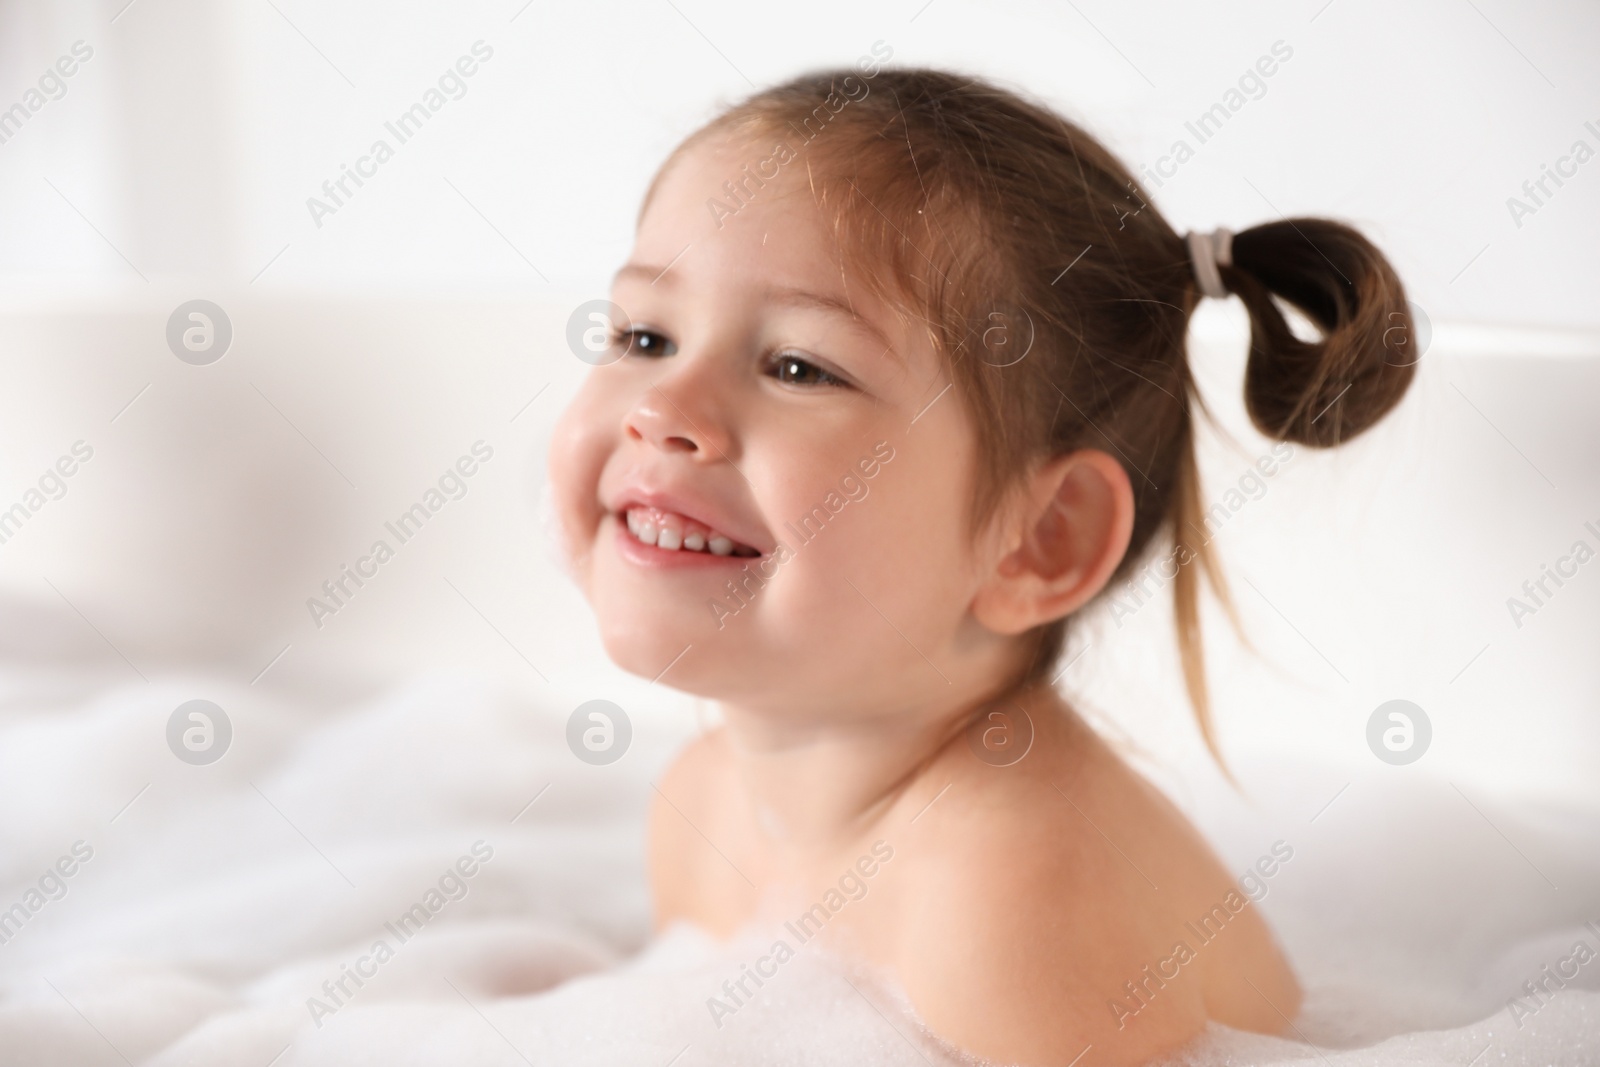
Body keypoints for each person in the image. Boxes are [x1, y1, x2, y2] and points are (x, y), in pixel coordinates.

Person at [549, 66, 1417, 1065]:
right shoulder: (699, 802)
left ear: (1040, 538)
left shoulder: (1011, 901)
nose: (660, 409)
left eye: (798, 366)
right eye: (643, 335)